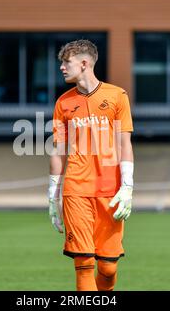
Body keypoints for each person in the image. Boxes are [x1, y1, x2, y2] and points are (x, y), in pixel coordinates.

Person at [48, 39, 134, 291]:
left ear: (84, 63)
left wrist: (127, 186)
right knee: (83, 261)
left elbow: (124, 144)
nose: (62, 67)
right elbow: (57, 150)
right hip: (75, 190)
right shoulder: (63, 103)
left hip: (110, 191)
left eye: (67, 62)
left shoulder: (117, 96)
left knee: (108, 268)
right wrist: (53, 196)